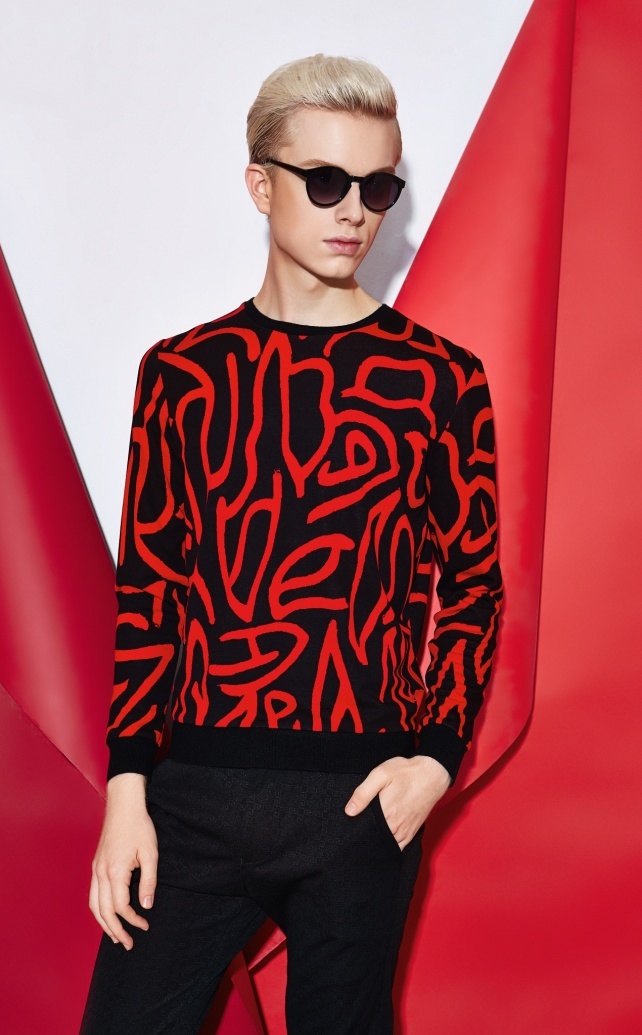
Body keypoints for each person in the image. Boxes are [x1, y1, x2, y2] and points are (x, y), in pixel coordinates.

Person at [79, 52, 504, 1035]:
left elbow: (474, 585)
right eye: (325, 181)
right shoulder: (182, 374)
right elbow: (151, 589)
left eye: (378, 187)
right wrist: (127, 788)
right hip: (190, 797)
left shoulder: (442, 380)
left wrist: (435, 760)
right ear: (260, 185)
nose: (354, 210)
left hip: (359, 806)